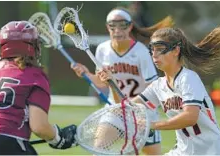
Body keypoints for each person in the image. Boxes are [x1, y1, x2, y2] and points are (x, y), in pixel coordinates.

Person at [98, 26, 220, 155]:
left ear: (176, 50)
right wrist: (112, 84)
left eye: (160, 48)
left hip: (214, 152)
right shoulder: (158, 86)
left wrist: (152, 125)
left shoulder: (188, 78)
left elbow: (190, 117)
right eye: (152, 49)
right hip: (185, 151)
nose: (154, 54)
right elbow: (126, 109)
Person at [72, 8, 173, 155]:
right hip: (115, 111)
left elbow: (153, 85)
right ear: (108, 27)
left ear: (130, 27)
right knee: (99, 150)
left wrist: (137, 106)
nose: (117, 31)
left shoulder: (141, 51)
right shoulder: (102, 49)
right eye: (113, 26)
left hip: (141, 112)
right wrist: (86, 74)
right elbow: (101, 83)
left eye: (122, 26)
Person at [0, 21, 77, 155]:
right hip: (7, 140)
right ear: (31, 47)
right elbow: (39, 127)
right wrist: (58, 137)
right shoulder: (34, 76)